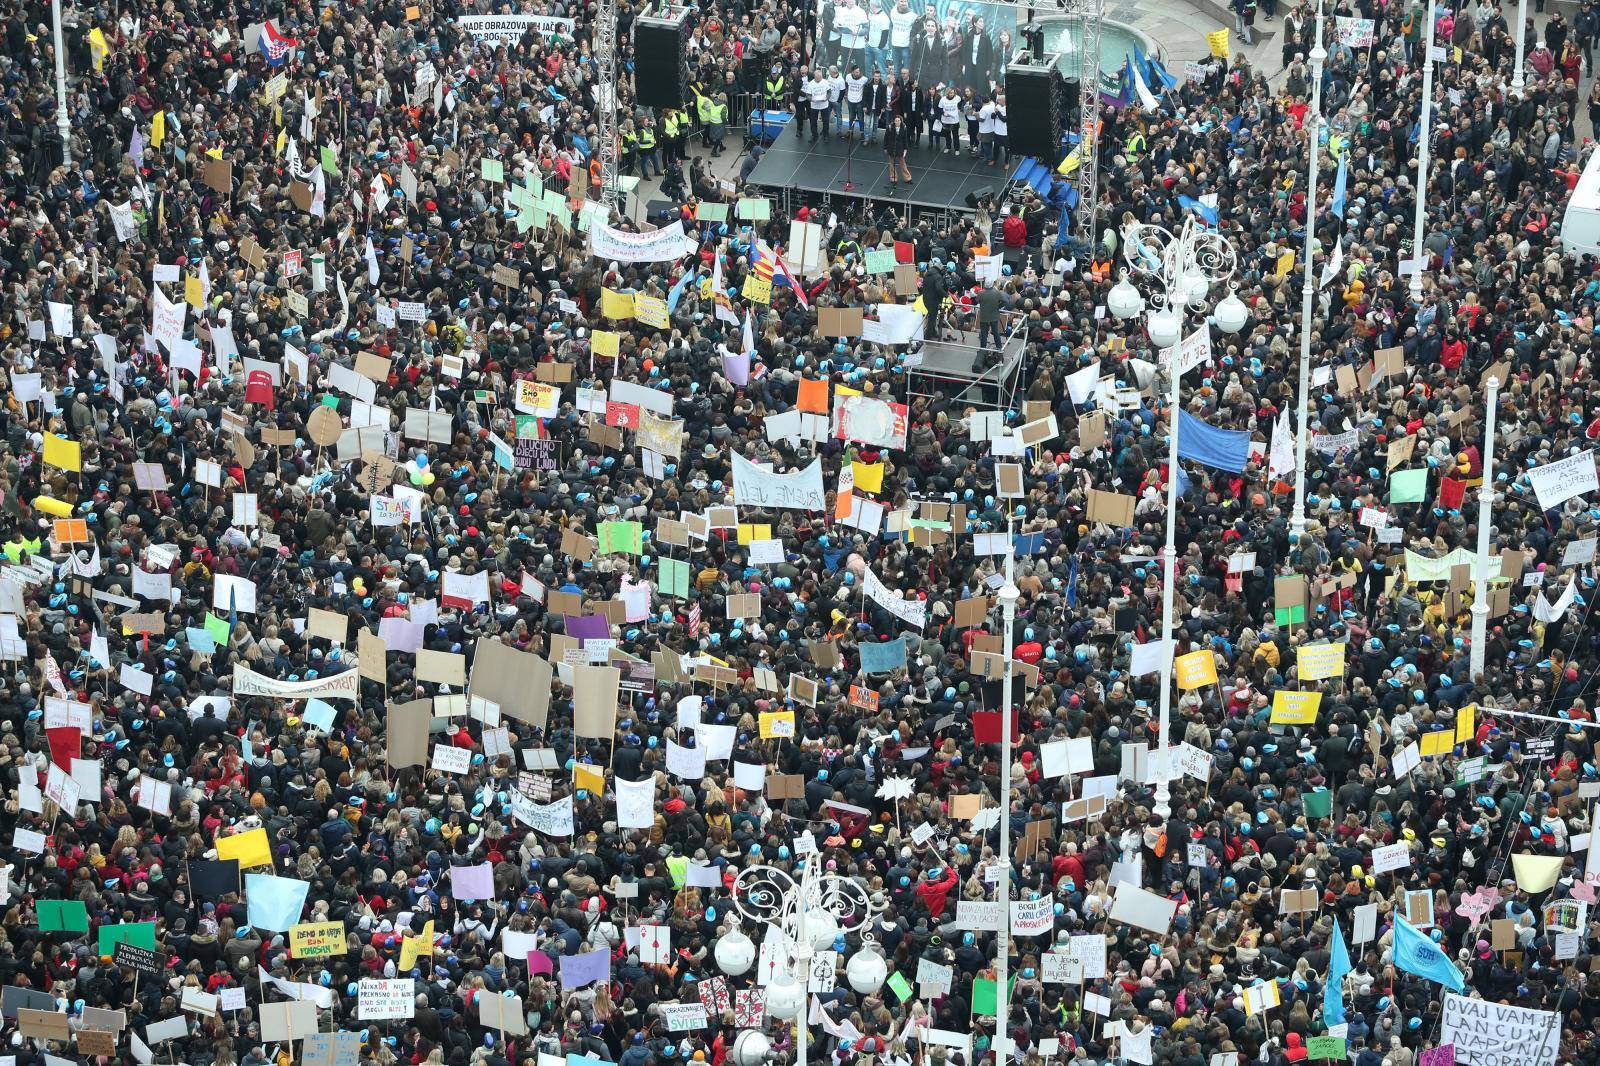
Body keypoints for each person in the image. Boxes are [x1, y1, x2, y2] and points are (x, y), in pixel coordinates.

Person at [884, 111, 913, 189]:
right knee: (891, 164)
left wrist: (906, 149)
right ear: (894, 121)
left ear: (901, 121)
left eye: (899, 120)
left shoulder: (904, 127)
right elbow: (886, 138)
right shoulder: (890, 127)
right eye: (896, 120)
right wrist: (885, 147)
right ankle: (893, 178)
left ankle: (907, 178)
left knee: (903, 163)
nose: (897, 122)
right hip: (891, 147)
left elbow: (905, 139)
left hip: (900, 147)